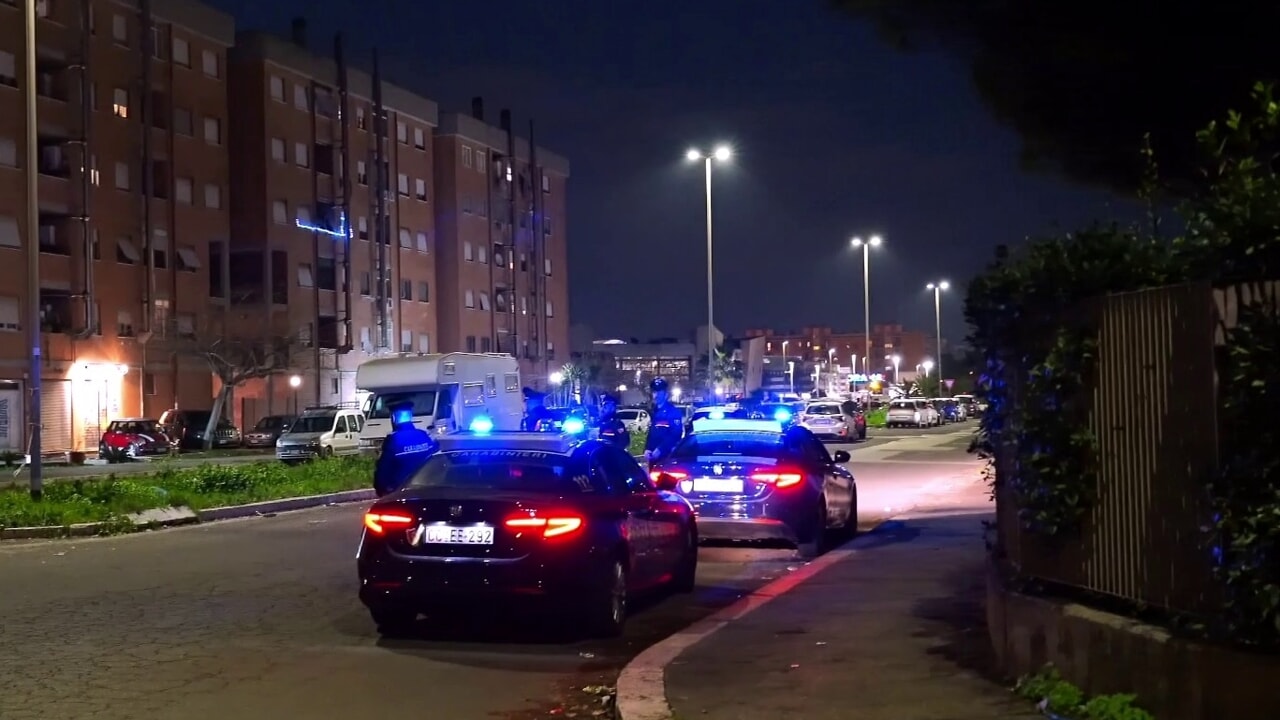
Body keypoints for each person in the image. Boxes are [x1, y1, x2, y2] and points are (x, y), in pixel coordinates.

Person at [373, 400, 438, 496]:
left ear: (393, 418)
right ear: (411, 416)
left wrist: (380, 489)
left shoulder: (393, 440)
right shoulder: (424, 435)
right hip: (427, 490)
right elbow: (437, 460)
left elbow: (383, 471)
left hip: (403, 493)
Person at [643, 377, 685, 467]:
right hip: (653, 458)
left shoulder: (673, 412)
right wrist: (647, 448)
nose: (656, 395)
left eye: (659, 392)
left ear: (666, 394)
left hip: (667, 458)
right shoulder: (654, 411)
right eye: (654, 392)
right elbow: (652, 434)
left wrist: (660, 449)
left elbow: (676, 434)